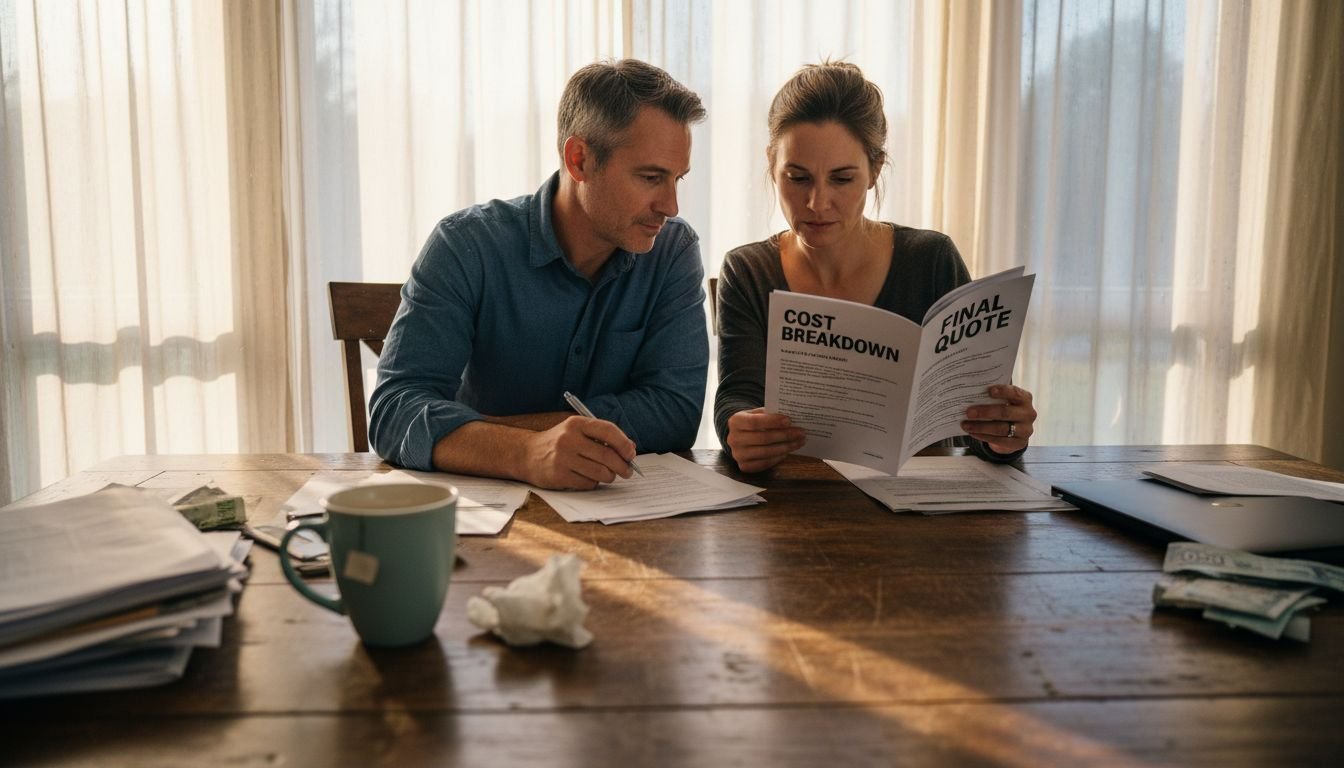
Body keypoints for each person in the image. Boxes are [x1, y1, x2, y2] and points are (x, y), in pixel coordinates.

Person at [370, 59, 709, 490]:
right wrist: (523, 451)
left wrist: (483, 432)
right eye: (650, 177)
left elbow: (675, 414)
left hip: (624, 513)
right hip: (485, 522)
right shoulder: (466, 246)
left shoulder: (672, 251)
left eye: (677, 178)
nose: (671, 206)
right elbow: (394, 411)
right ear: (579, 159)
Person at [714, 61, 1037, 473]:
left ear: (874, 171)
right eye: (797, 178)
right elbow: (736, 397)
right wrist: (736, 431)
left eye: (842, 179)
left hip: (923, 505)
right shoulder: (747, 270)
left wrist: (1005, 435)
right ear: (772, 164)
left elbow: (980, 415)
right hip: (797, 501)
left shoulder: (931, 259)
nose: (817, 203)